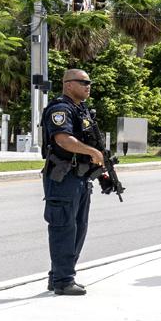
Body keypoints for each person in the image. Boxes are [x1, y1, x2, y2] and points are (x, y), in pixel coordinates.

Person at [38, 67, 113, 295]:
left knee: (79, 228)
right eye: (83, 82)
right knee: (64, 228)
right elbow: (63, 140)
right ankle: (63, 281)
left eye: (89, 82)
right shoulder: (60, 109)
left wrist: (103, 171)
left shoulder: (81, 111)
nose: (88, 86)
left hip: (80, 177)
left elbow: (91, 143)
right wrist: (93, 153)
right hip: (63, 177)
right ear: (68, 84)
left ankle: (59, 275)